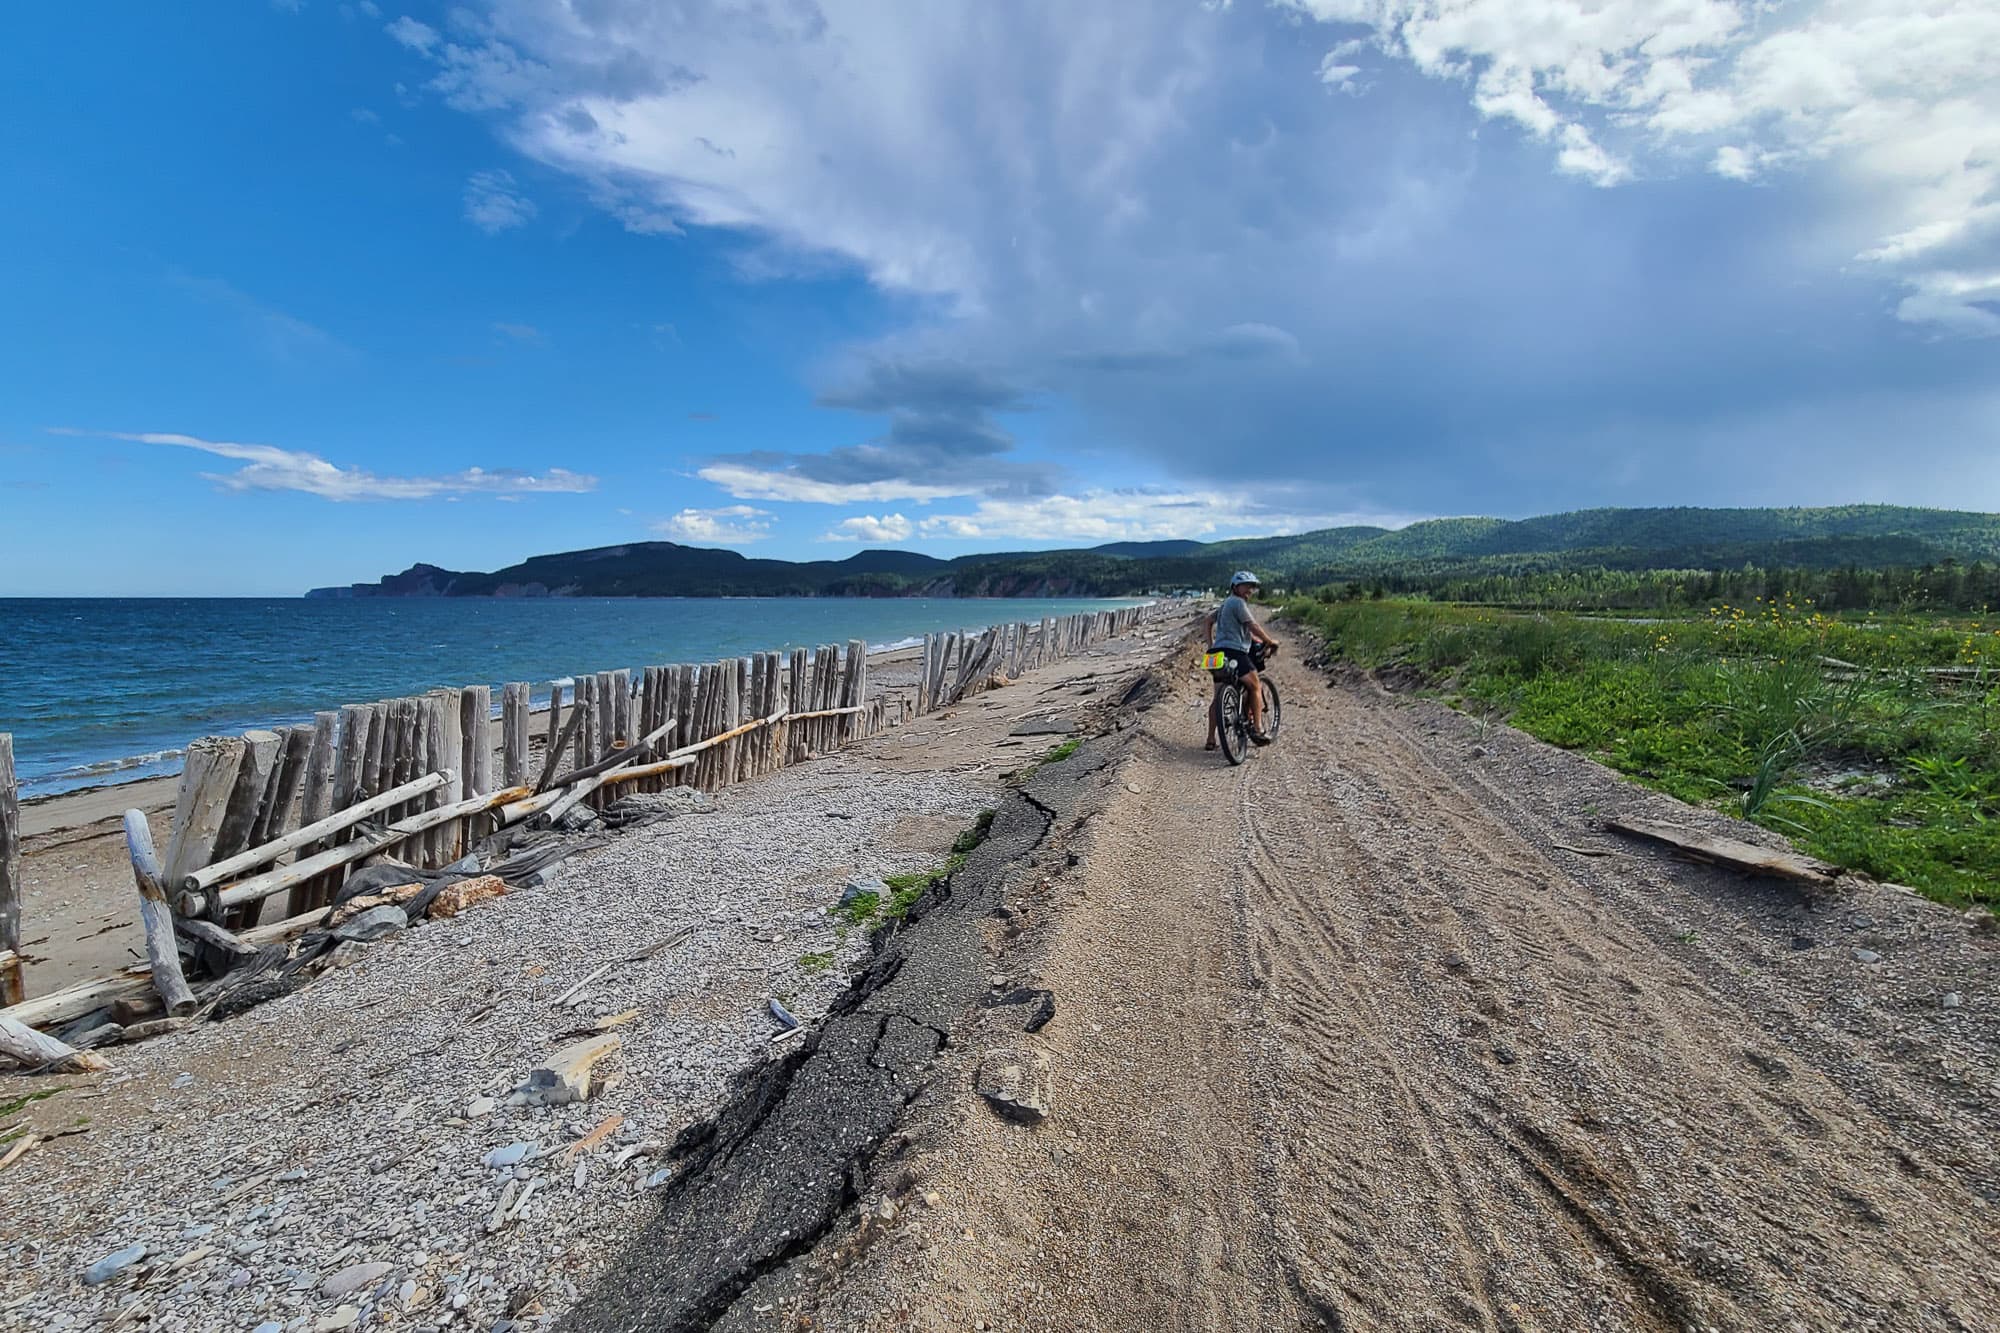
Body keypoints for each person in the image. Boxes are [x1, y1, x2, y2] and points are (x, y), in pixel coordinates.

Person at [1206, 571, 1278, 749]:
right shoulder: (1238, 603)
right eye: (1246, 585)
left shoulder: (1225, 605)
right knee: (1255, 686)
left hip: (1216, 654)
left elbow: (1208, 621)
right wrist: (1269, 641)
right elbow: (1252, 625)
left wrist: (1210, 644)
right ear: (1235, 587)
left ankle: (1211, 739)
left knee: (1217, 698)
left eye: (1252, 586)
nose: (1250, 590)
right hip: (1234, 652)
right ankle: (1258, 728)